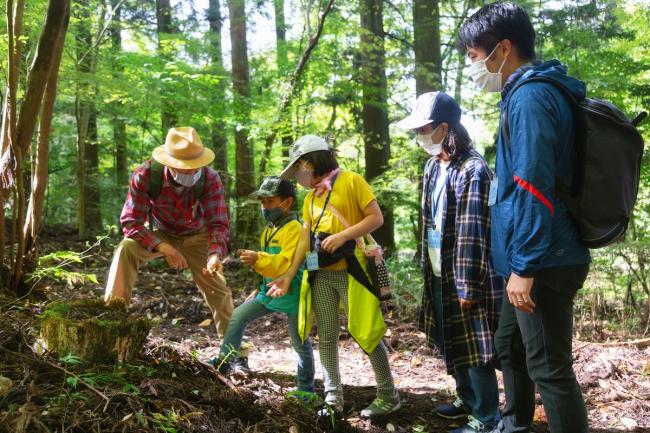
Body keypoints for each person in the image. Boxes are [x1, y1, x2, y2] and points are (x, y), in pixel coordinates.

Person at [459, 3, 591, 433]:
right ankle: (513, 424)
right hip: (528, 254)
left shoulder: (532, 97)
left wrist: (525, 266)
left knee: (550, 368)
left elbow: (535, 185)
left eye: (475, 56)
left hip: (544, 258)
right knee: (509, 347)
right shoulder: (522, 93)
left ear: (503, 48)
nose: (472, 66)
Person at [267, 135, 400, 418]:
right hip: (322, 276)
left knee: (367, 332)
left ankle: (389, 395)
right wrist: (289, 275)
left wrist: (342, 236)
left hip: (352, 274)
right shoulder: (310, 197)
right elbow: (304, 239)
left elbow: (375, 218)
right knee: (326, 337)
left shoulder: (351, 181)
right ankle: (332, 399)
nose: (299, 176)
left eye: (299, 167)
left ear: (312, 161)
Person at [396, 91, 503, 433]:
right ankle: (466, 399)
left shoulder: (473, 169)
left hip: (465, 274)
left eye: (423, 129)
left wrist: (467, 285)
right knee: (448, 338)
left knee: (474, 347)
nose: (419, 137)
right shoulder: (432, 166)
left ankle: (486, 417)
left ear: (443, 127)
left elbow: (474, 231)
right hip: (438, 269)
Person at [104, 127, 233, 338]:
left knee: (217, 287)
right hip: (161, 234)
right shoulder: (145, 175)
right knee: (126, 249)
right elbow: (130, 222)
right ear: (169, 164)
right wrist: (164, 248)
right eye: (185, 168)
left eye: (195, 167)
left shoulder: (210, 179)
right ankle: (111, 324)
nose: (191, 172)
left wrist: (214, 254)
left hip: (197, 236)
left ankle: (233, 350)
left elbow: (218, 223)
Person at [210, 176, 315, 393]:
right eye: (262, 203)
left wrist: (259, 258)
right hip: (270, 290)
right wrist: (259, 286)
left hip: (292, 291)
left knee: (300, 342)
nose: (264, 207)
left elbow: (284, 263)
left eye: (269, 202)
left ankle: (306, 389)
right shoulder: (269, 230)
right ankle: (224, 363)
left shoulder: (294, 229)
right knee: (238, 315)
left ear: (286, 203)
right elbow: (269, 267)